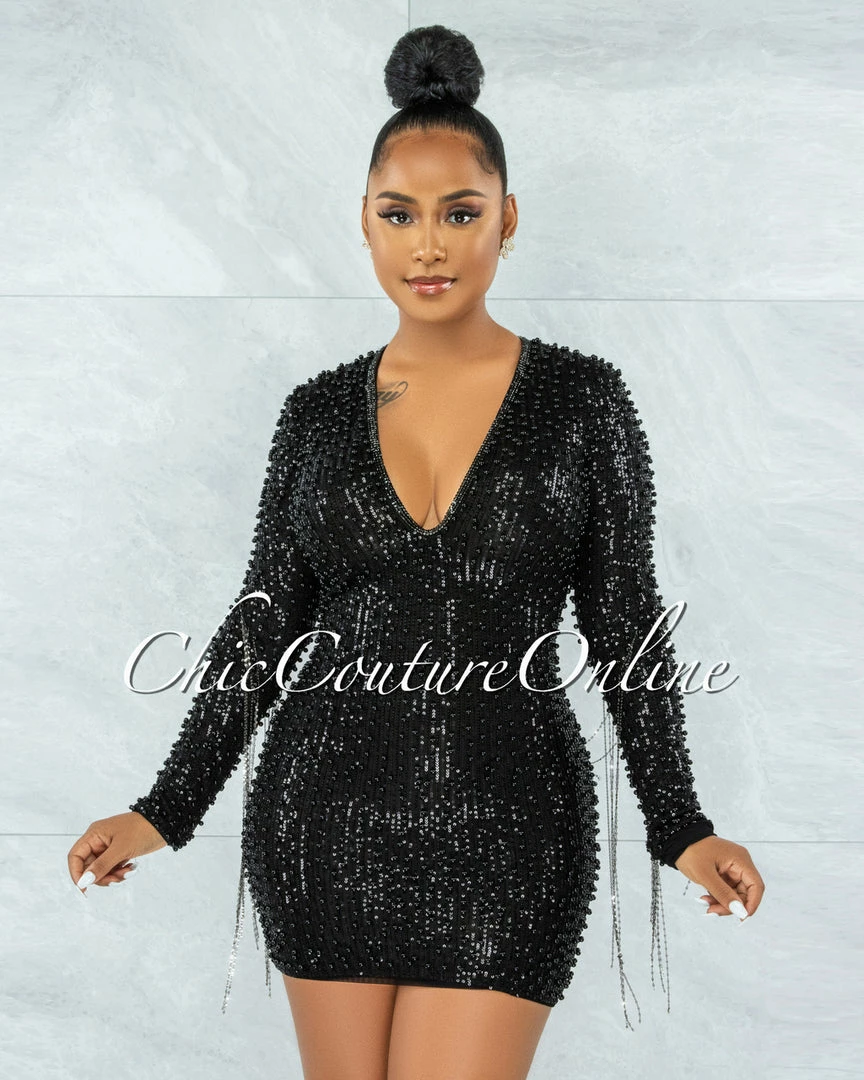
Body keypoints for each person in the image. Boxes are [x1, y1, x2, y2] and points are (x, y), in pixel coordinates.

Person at [67, 24, 765, 1080]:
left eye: (460, 213)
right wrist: (163, 810)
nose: (428, 245)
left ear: (507, 219)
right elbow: (264, 623)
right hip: (324, 823)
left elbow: (627, 624)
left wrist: (682, 827)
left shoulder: (584, 402)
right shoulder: (314, 414)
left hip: (512, 830)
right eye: (399, 214)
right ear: (364, 222)